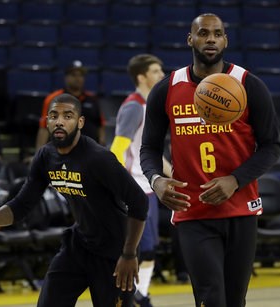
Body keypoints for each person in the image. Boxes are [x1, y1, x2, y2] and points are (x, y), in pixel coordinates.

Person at [140, 13, 280, 307]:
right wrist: (156, 180)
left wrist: (236, 180)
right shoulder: (167, 89)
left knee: (234, 300)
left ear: (225, 40)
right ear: (190, 39)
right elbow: (149, 149)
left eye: (217, 33)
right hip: (193, 212)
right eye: (203, 33)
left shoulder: (247, 84)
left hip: (241, 209)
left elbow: (271, 147)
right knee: (210, 298)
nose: (211, 39)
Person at [0, 93, 149, 307]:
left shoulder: (99, 158)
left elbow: (139, 202)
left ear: (80, 122)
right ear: (48, 121)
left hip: (114, 252)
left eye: (68, 116)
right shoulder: (45, 156)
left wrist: (129, 253)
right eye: (54, 115)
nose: (59, 121)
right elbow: (22, 205)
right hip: (79, 245)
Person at [110, 54, 166, 307]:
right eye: (156, 71)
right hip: (135, 191)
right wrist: (122, 188)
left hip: (149, 188)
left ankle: (140, 295)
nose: (162, 75)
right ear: (141, 77)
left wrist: (174, 174)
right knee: (135, 251)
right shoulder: (133, 106)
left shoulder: (151, 105)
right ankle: (130, 297)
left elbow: (149, 149)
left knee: (151, 249)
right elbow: (116, 150)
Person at [35, 60, 105, 151]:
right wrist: (39, 154)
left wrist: (102, 148)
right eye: (74, 75)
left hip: (89, 152)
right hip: (61, 151)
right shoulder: (53, 99)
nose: (78, 78)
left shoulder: (93, 99)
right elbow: (44, 127)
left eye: (81, 75)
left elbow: (100, 125)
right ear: (66, 77)